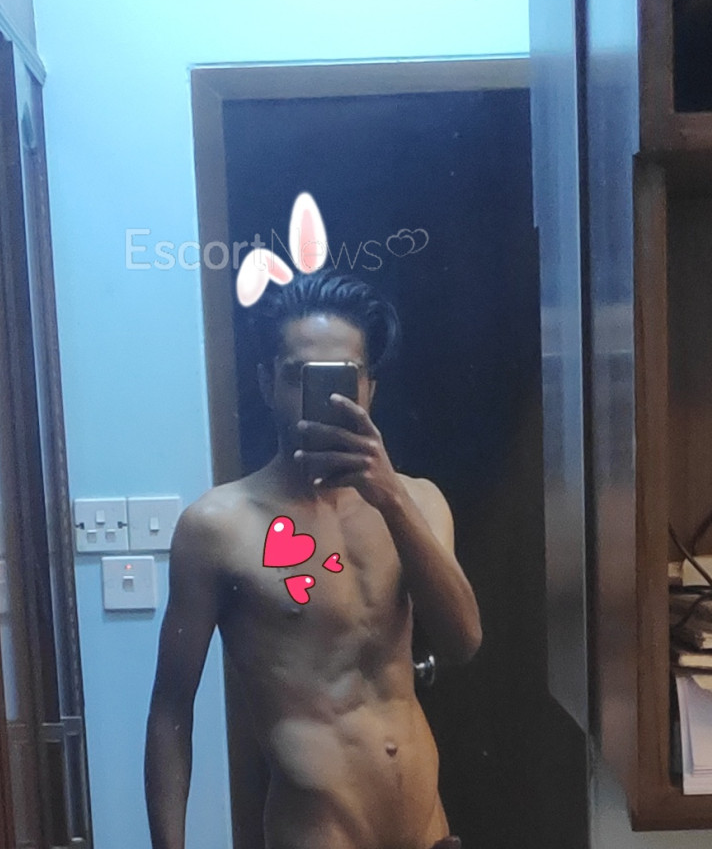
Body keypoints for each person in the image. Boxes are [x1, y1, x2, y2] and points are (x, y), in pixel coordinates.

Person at [145, 271, 482, 849]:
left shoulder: (419, 502)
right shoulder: (219, 527)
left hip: (429, 832)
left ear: (369, 387)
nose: (318, 395)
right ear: (266, 383)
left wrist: (390, 500)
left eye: (341, 376)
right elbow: (171, 709)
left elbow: (463, 642)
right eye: (297, 375)